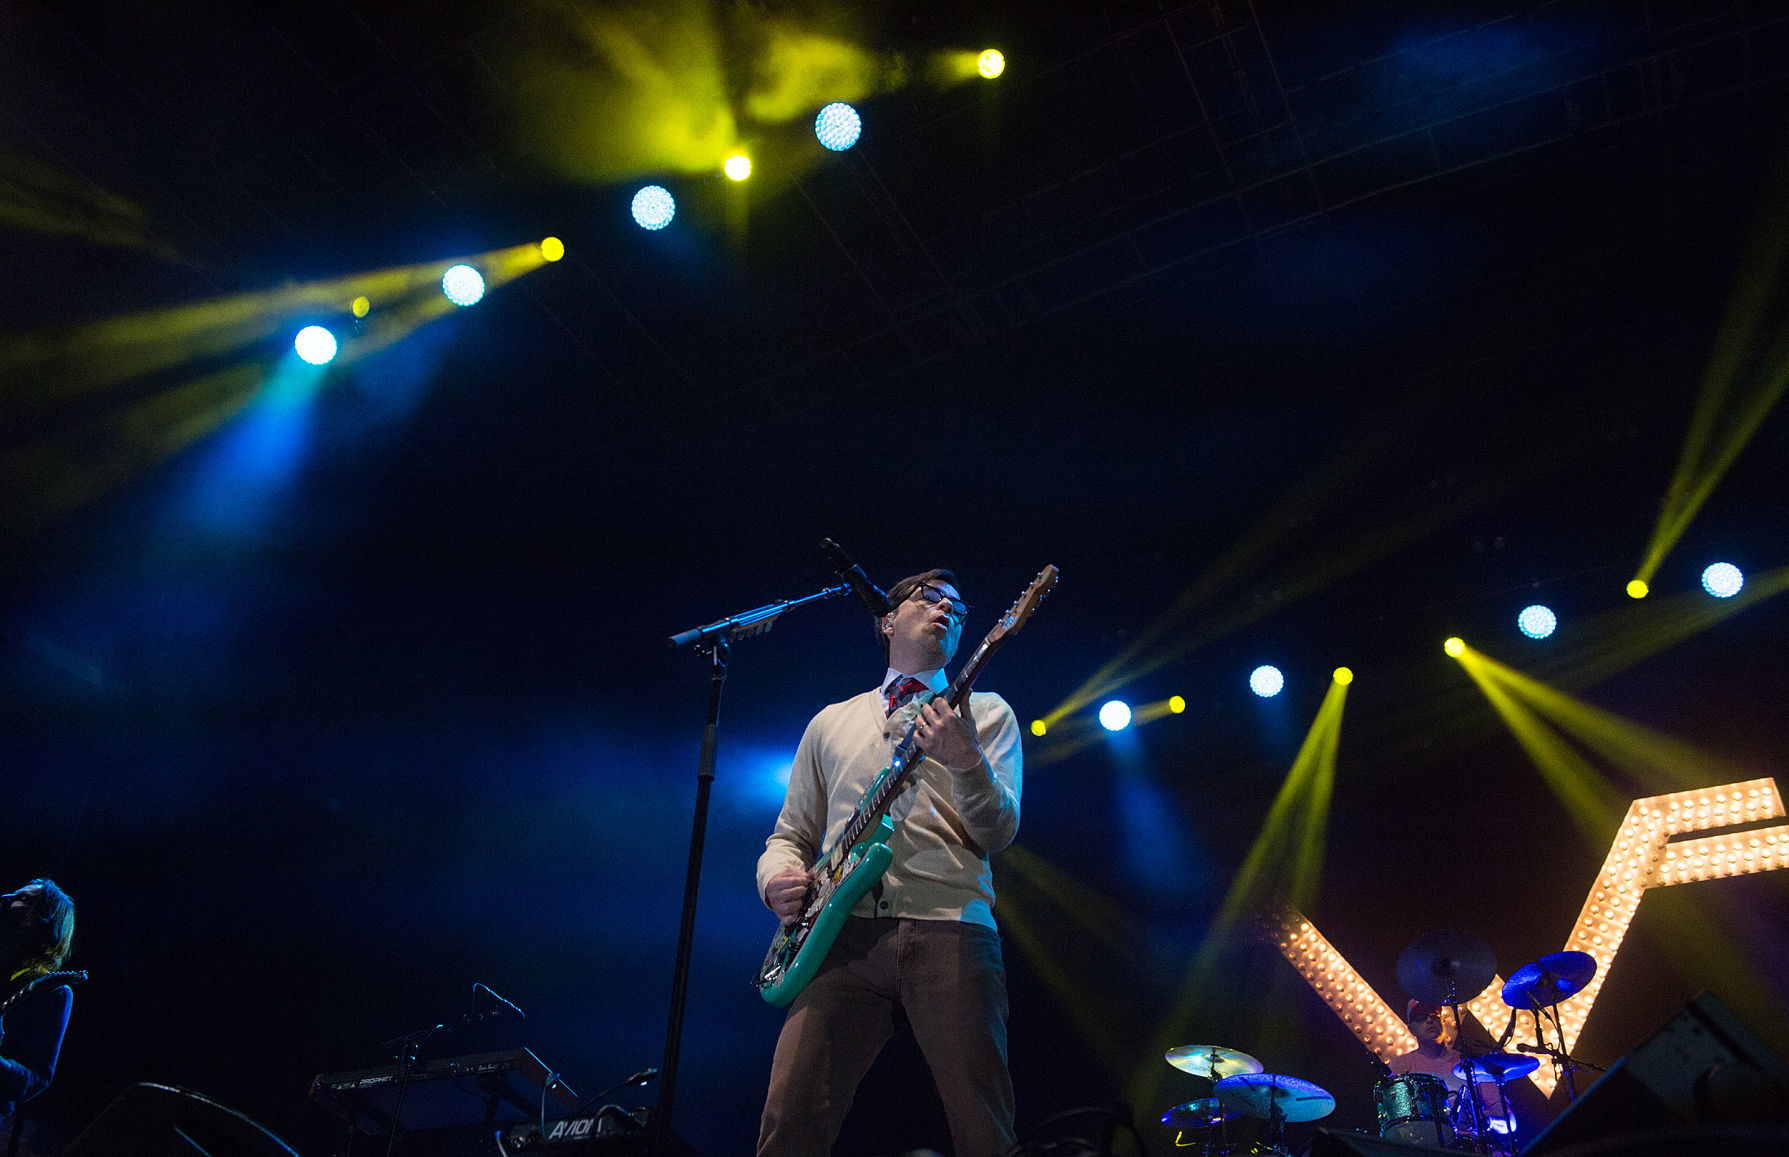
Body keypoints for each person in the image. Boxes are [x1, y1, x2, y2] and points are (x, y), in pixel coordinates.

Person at [756, 569, 1023, 1157]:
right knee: (790, 1119)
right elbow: (789, 836)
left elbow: (999, 831)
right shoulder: (831, 721)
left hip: (950, 925)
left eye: (959, 605)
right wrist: (775, 881)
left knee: (983, 1124)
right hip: (839, 939)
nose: (948, 609)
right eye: (931, 598)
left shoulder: (988, 712)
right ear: (888, 619)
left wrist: (967, 758)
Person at [0, 880, 77, 1138]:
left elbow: (36, 1079)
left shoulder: (52, 991)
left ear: (41, 920)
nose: (6, 896)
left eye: (22, 898)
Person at [1389, 1000, 1508, 1139]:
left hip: (1470, 1145)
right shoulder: (1400, 1065)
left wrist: (1486, 1119)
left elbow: (1508, 1121)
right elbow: (1396, 1123)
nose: (1429, 1020)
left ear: (1443, 1021)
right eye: (1421, 1018)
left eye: (1434, 1016)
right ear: (1411, 1029)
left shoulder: (1473, 1065)